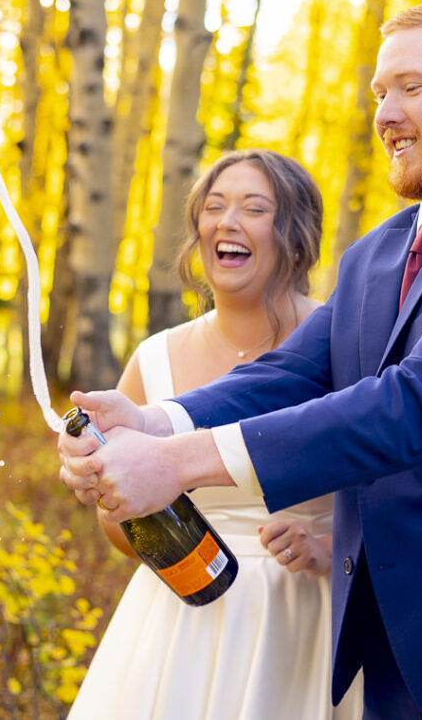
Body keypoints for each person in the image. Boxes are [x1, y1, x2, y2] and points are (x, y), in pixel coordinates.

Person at [58, 0, 422, 720]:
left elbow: (415, 402)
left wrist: (176, 463)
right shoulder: (377, 254)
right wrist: (155, 417)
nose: (385, 112)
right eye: (379, 92)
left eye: (411, 87)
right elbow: (289, 376)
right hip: (390, 665)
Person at [67, 150, 361, 719]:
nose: (227, 222)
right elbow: (118, 528)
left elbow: (402, 492)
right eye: (214, 207)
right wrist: (106, 488)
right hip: (180, 627)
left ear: (294, 234)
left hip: (304, 625)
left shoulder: (347, 347)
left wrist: (328, 550)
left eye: (254, 208)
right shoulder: (154, 361)